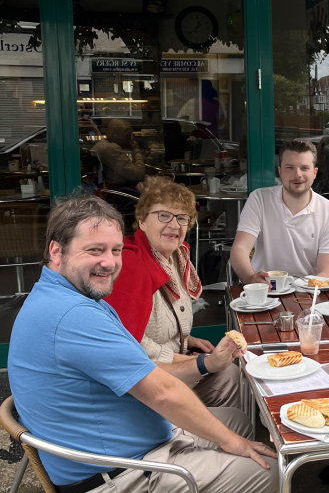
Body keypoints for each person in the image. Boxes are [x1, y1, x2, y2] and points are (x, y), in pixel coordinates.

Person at [8, 195, 279, 493]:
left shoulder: (62, 296)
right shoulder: (72, 315)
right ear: (57, 251)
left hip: (127, 447)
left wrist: (205, 366)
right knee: (268, 471)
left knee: (238, 421)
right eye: (94, 250)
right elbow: (163, 394)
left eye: (115, 250)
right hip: (120, 473)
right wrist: (231, 442)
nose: (109, 262)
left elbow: (144, 367)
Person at [105, 176, 240, 409]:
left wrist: (188, 341)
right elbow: (128, 342)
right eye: (163, 216)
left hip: (169, 368)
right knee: (229, 377)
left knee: (232, 376)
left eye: (182, 218)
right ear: (142, 221)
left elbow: (163, 325)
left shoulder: (178, 258)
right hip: (144, 385)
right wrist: (189, 360)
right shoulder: (131, 264)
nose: (174, 224)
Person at [231, 138, 329, 283]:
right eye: (290, 167)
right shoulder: (259, 199)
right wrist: (251, 279)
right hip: (267, 289)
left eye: (304, 168)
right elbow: (239, 249)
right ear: (280, 171)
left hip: (310, 293)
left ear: (314, 173)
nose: (297, 174)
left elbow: (325, 273)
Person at [92, 118, 145, 187]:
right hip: (116, 191)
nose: (129, 139)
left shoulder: (104, 144)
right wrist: (136, 150)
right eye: (127, 136)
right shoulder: (111, 148)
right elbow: (138, 174)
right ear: (116, 135)